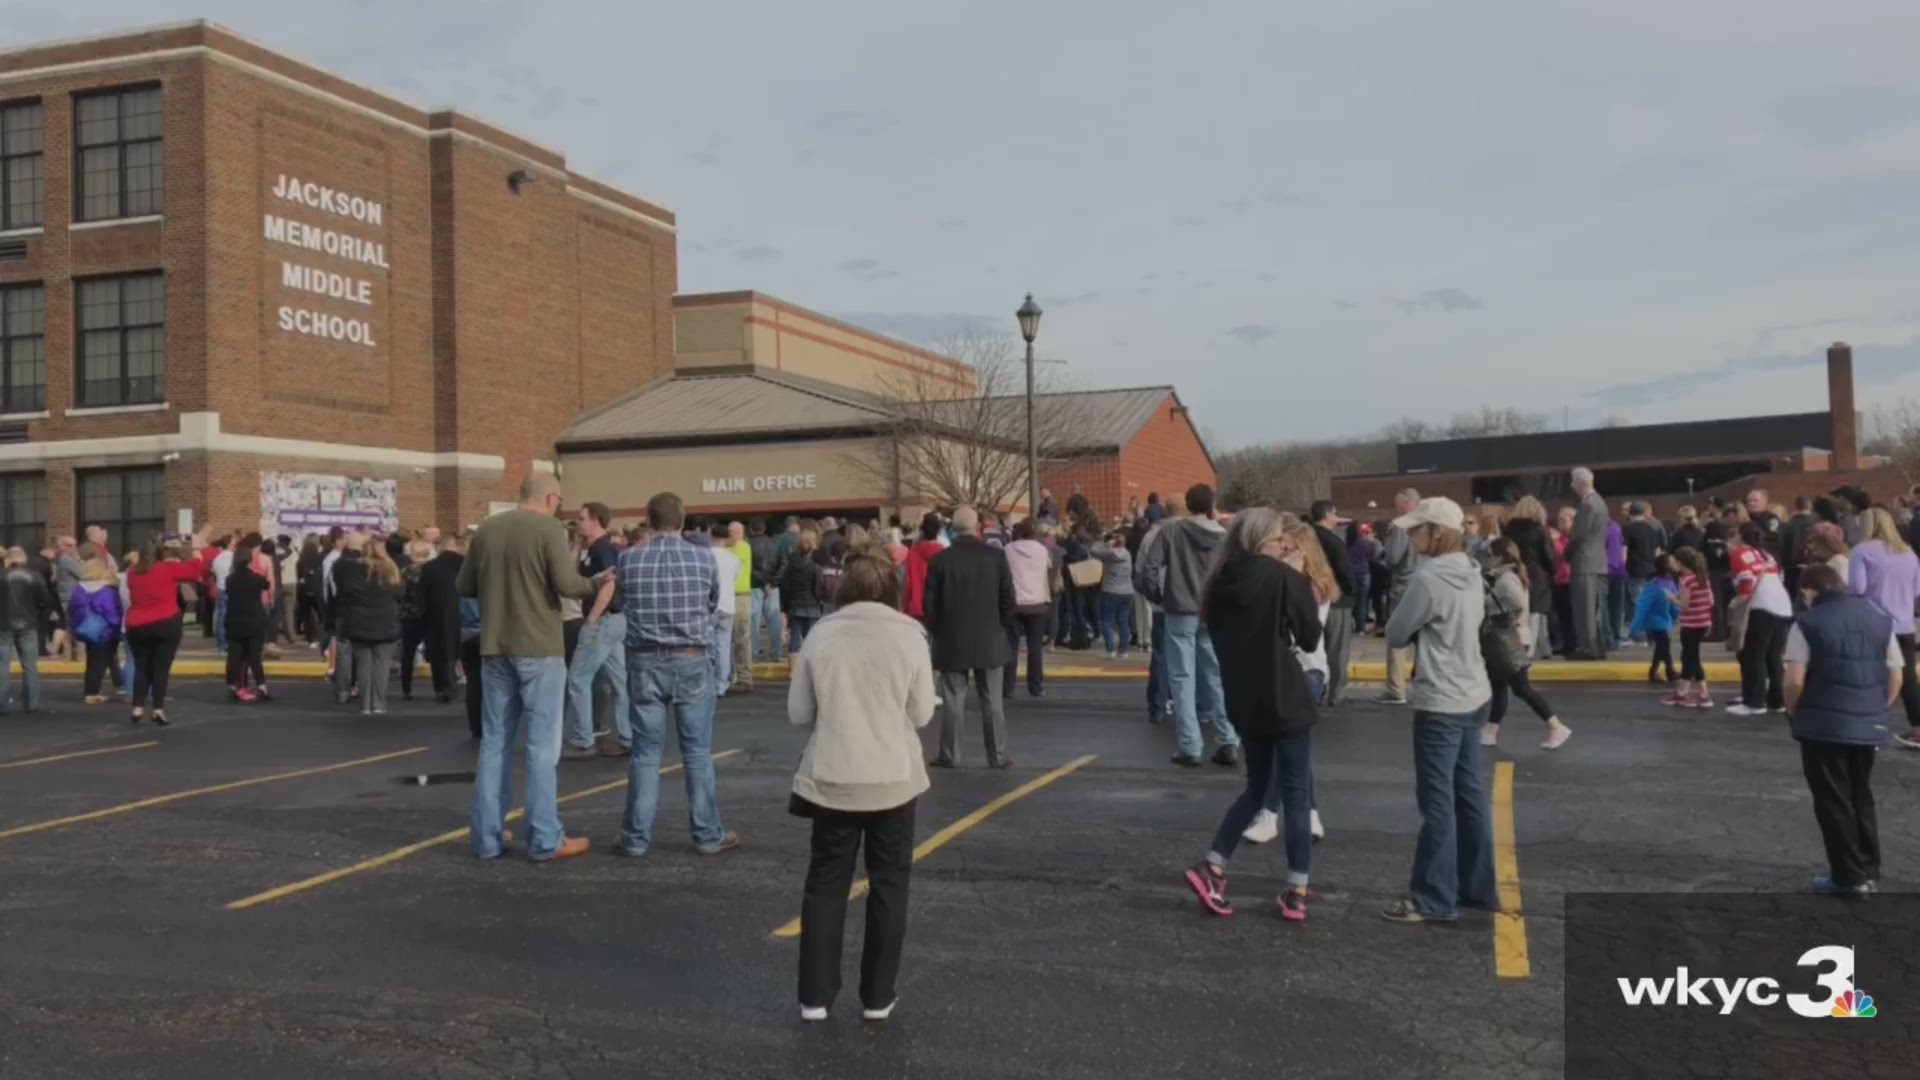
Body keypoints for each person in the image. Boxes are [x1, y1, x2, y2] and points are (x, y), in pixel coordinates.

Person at [789, 551, 936, 1023]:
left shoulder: (820, 634)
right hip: (893, 777)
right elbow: (920, 714)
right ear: (892, 590)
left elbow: (798, 713)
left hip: (833, 776)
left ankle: (815, 995)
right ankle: (878, 995)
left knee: (826, 883)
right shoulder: (910, 637)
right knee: (889, 885)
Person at [1183, 508, 1321, 922]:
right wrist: (1296, 581)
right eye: (1279, 539)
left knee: (1257, 789)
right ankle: (1297, 888)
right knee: (1295, 796)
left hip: (1243, 698)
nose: (1284, 545)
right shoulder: (1283, 577)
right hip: (1287, 695)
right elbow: (1311, 636)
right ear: (1266, 541)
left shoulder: (1219, 584)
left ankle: (1214, 862)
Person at [459, 473, 602, 862]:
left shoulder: (487, 530)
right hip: (539, 647)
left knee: (494, 743)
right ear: (552, 498)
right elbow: (568, 584)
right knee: (542, 747)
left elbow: (465, 585)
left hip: (494, 647)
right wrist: (597, 583)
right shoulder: (549, 529)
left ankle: (487, 838)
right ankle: (544, 838)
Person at [1379, 497, 1497, 925]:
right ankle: (1478, 887)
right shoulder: (1471, 568)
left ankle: (1432, 897)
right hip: (1474, 691)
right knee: (1470, 794)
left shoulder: (1429, 578)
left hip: (1441, 698)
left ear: (1435, 532)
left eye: (1415, 530)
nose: (1409, 537)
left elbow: (1395, 634)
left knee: (1437, 802)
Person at [614, 491, 738, 857]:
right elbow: (713, 603)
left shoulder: (629, 560)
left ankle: (636, 838)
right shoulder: (704, 559)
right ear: (682, 521)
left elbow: (622, 602)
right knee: (697, 752)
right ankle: (707, 834)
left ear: (648, 520)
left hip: (644, 659)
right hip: (691, 656)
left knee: (645, 753)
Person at [1783, 564, 1900, 898]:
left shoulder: (1806, 623)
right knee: (1860, 795)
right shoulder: (1879, 618)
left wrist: (1796, 712)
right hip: (1868, 722)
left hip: (1823, 726)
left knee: (1833, 800)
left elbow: (1793, 680)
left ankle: (1848, 877)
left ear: (1809, 591)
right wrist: (1878, 708)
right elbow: (1897, 675)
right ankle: (1868, 868)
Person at [1137, 484, 1241, 767]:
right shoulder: (1226, 537)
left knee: (1182, 677)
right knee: (1217, 675)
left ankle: (1190, 745)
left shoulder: (1171, 531)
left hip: (1180, 610)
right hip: (1215, 612)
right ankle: (1228, 739)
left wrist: (1158, 596)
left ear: (1187, 503)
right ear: (1212, 505)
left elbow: (1148, 569)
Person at [924, 507, 1016, 770]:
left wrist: (938, 629)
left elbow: (930, 605)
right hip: (990, 637)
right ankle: (997, 755)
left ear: (953, 529)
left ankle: (951, 754)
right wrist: (1003, 627)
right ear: (978, 528)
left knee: (954, 699)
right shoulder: (995, 558)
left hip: (952, 638)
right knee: (993, 701)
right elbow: (1008, 600)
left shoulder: (941, 561)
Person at [1480, 538, 1572, 751]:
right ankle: (1490, 731)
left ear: (1500, 556)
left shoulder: (1506, 579)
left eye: (1491, 555)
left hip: (1510, 641)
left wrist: (1494, 607)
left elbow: (1515, 603)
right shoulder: (1508, 575)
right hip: (1508, 640)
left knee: (1521, 688)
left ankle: (1556, 726)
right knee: (1499, 685)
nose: (1489, 559)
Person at [563, 502, 632, 759]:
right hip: (613, 622)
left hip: (603, 620)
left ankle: (583, 740)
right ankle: (627, 736)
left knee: (578, 678)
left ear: (595, 521)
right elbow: (572, 577)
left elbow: (609, 584)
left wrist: (592, 618)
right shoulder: (592, 550)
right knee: (619, 681)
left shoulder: (605, 550)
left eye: (582, 518)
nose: (579, 522)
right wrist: (578, 545)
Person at [1847, 507, 1920, 749]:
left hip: (1874, 623)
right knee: (1908, 679)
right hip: (1905, 624)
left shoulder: (1862, 551)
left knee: (1872, 679)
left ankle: (1870, 729)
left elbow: (1857, 588)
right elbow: (1917, 591)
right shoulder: (1909, 553)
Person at [124, 534, 207, 726]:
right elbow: (196, 570)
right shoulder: (167, 569)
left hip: (136, 625)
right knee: (161, 669)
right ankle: (158, 710)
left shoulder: (131, 572)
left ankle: (137, 708)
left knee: (142, 667)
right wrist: (195, 550)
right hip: (165, 622)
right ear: (161, 554)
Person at [1728, 522, 1792, 716]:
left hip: (1761, 607)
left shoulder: (1740, 554)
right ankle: (1777, 700)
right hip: (1782, 605)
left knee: (1753, 654)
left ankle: (1754, 702)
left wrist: (1736, 602)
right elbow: (1779, 578)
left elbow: (1747, 582)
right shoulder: (1767, 555)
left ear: (1739, 536)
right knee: (1773, 655)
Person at [339, 541, 404, 715]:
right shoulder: (392, 572)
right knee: (382, 667)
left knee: (363, 666)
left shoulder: (355, 573)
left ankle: (366, 704)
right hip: (386, 623)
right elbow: (401, 594)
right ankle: (379, 704)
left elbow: (345, 594)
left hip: (360, 624)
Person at [1377, 487, 1423, 703]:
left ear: (1406, 504)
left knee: (1396, 639)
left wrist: (1385, 549)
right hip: (1424, 585)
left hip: (1403, 586)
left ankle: (1396, 689)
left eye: (1398, 504)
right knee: (1423, 640)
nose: (1395, 508)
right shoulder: (1428, 524)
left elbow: (1393, 557)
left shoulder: (1400, 526)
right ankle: (1423, 685)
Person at [1309, 500, 1357, 706]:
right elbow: (1345, 570)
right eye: (1335, 513)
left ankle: (1316, 690)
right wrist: (1351, 591)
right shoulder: (1333, 541)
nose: (1337, 518)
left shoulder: (1307, 537)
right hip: (1337, 600)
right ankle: (1336, 693)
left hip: (1312, 598)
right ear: (1328, 515)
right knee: (1337, 649)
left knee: (1315, 648)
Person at [1003, 518, 1052, 699]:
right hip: (1037, 602)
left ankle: (1007, 687)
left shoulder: (1008, 549)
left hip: (1014, 602)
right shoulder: (1042, 551)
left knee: (1011, 646)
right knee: (1035, 647)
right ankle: (1035, 686)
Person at [223, 536, 274, 702]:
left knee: (235, 656)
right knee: (254, 657)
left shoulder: (230, 580)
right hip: (254, 620)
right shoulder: (255, 578)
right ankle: (261, 686)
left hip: (235, 621)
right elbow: (267, 585)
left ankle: (233, 684)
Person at [1566, 468, 1610, 660]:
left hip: (1585, 561)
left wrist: (1567, 553)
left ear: (1580, 484)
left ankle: (1587, 648)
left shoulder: (1588, 504)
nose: (1573, 488)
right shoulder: (1600, 502)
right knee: (1595, 608)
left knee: (1584, 607)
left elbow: (1579, 534)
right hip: (1597, 561)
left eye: (1574, 484)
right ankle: (1597, 646)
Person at [418, 534, 465, 706]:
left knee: (438, 653)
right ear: (457, 547)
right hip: (461, 614)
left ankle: (440, 688)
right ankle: (453, 687)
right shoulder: (465, 564)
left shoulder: (430, 567)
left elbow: (422, 596)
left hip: (435, 615)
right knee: (455, 651)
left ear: (440, 547)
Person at [68, 558, 123, 704]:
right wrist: (117, 628)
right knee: (100, 662)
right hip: (105, 631)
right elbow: (112, 611)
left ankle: (90, 690)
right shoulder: (107, 590)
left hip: (87, 629)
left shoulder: (79, 588)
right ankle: (93, 693)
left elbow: (72, 609)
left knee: (91, 661)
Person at [1668, 547, 1717, 708]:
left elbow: (1684, 604)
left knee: (1692, 658)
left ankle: (1704, 693)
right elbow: (1710, 601)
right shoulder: (1702, 577)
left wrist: (1671, 598)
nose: (1673, 564)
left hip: (1691, 624)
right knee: (1688, 656)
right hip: (1702, 622)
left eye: (1675, 561)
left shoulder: (1686, 580)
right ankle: (1682, 691)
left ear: (1681, 563)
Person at [1, 548, 49, 713]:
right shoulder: (35, 576)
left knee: (2, 665)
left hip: (3, 625)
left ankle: (2, 703)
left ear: (8, 560)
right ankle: (31, 703)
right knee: (30, 665)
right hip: (28, 624)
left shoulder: (2, 576)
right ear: (24, 560)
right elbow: (44, 601)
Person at [1628, 553, 1681, 686]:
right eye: (1673, 561)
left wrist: (1677, 615)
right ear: (1666, 566)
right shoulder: (1653, 585)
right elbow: (1642, 607)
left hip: (1665, 620)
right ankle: (1670, 671)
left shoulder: (1671, 582)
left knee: (1661, 647)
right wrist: (1635, 628)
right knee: (1664, 644)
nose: (1676, 564)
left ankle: (1653, 672)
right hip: (1654, 622)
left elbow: (1674, 602)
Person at [1621, 501, 1666, 644]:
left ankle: (1639, 636)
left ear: (1630, 513)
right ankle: (1653, 635)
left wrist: (1622, 567)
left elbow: (1624, 551)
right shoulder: (1653, 528)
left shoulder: (1627, 529)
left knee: (1636, 604)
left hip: (1635, 570)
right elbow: (1659, 551)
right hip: (1652, 569)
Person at [707, 525, 743, 695]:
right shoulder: (733, 559)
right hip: (728, 604)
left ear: (711, 535)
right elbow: (736, 577)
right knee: (724, 644)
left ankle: (708, 681)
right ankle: (721, 683)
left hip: (708, 605)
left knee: (707, 644)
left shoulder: (705, 557)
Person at [1091, 530, 1135, 659]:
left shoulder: (1109, 553)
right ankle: (1124, 651)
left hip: (1110, 591)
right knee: (1123, 621)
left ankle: (1111, 650)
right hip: (1127, 592)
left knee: (1106, 621)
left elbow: (1093, 550)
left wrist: (1105, 544)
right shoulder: (1127, 554)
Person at [781, 529, 828, 650]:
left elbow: (785, 588)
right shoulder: (815, 568)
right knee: (812, 642)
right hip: (812, 608)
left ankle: (794, 668)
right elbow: (818, 591)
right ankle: (810, 668)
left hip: (794, 608)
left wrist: (785, 608)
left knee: (795, 641)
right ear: (813, 545)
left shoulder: (790, 567)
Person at [748, 520, 784, 664]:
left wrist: (763, 582)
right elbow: (784, 563)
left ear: (751, 529)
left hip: (754, 585)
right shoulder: (776, 543)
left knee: (754, 620)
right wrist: (774, 582)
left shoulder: (748, 544)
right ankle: (776, 652)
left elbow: (749, 568)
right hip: (773, 585)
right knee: (774, 619)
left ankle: (754, 653)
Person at [724, 521, 754, 695]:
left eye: (734, 532)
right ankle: (730, 675)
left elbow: (731, 560)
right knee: (725, 639)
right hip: (727, 596)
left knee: (741, 638)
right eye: (728, 532)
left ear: (741, 534)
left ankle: (745, 677)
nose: (730, 535)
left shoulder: (743, 547)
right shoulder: (726, 549)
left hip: (741, 596)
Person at [903, 513, 943, 620]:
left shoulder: (913, 553)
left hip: (917, 607)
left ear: (922, 530)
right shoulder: (944, 554)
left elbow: (907, 581)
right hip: (940, 606)